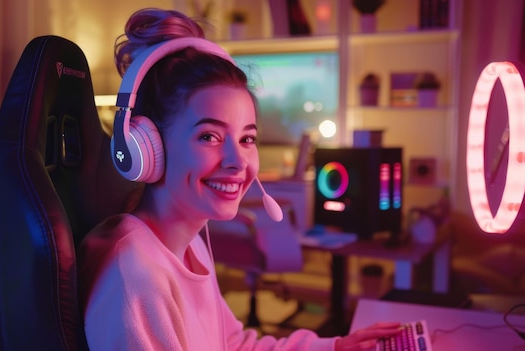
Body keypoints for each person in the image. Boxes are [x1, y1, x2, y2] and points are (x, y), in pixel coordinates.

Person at [78, 7, 401, 351]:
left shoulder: (192, 246)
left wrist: (335, 347)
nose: (238, 162)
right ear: (146, 147)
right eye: (209, 137)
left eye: (247, 139)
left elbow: (232, 344)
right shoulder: (136, 276)